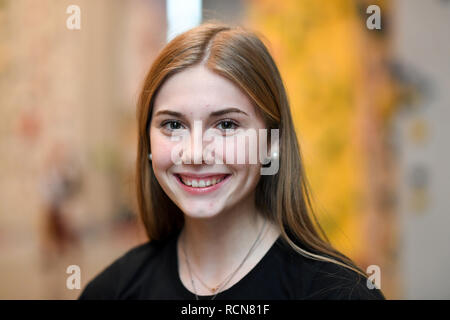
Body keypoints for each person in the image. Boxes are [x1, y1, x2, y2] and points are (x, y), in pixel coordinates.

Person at [79, 22, 385, 300]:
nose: (195, 153)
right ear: (147, 143)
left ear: (272, 144)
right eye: (173, 125)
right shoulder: (111, 292)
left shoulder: (341, 294)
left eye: (226, 125)